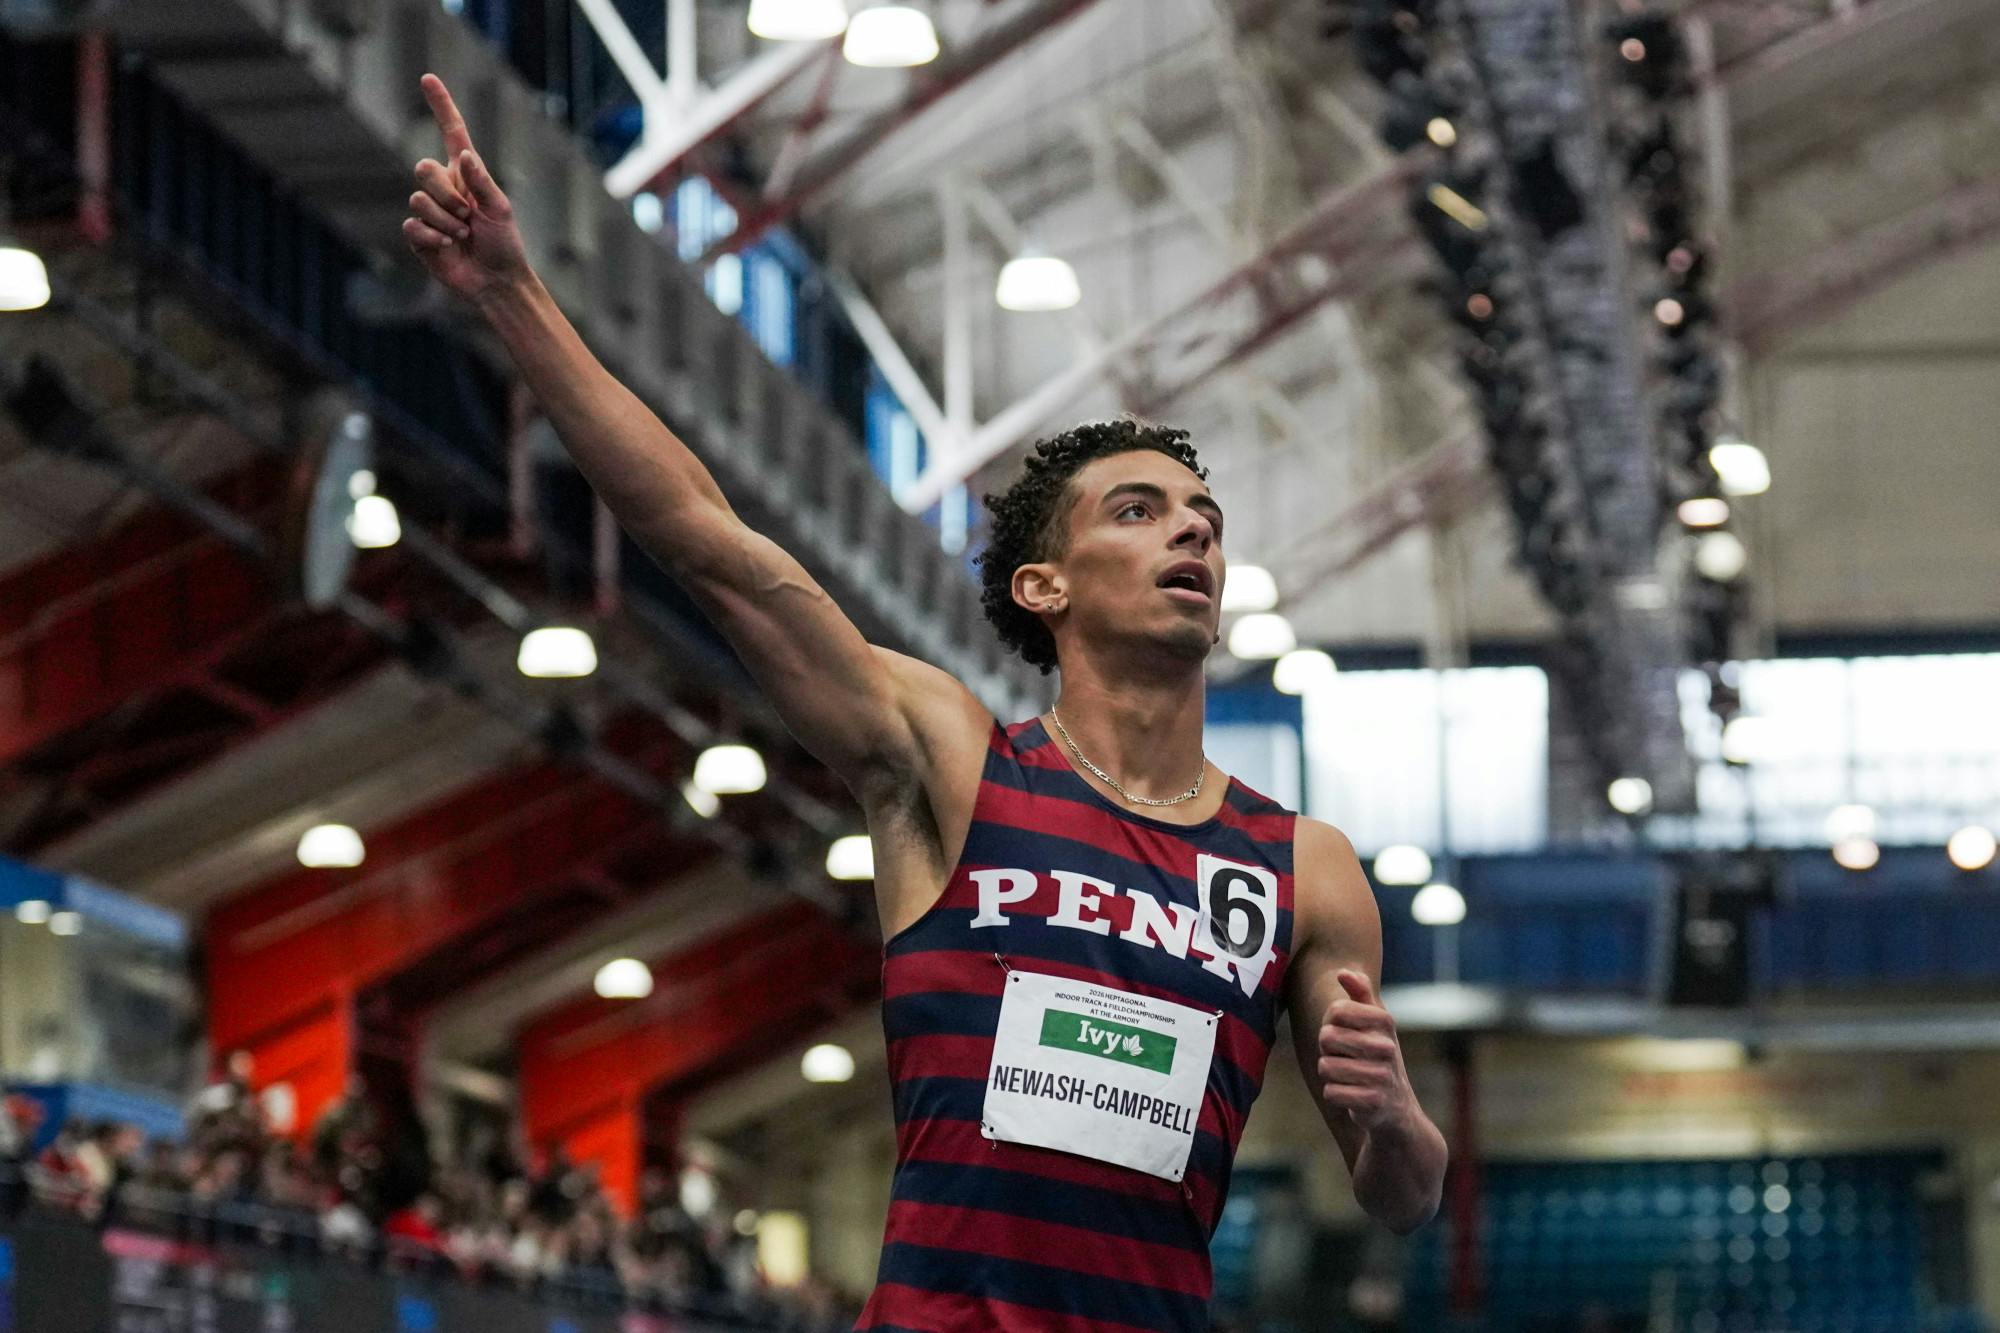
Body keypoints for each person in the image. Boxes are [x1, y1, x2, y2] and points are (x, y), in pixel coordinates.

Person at [402, 74, 1448, 1332]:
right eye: (1140, 509)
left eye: (1204, 521)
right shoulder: (950, 761)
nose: (1190, 534)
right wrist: (515, 296)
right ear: (1042, 583)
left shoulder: (1302, 868)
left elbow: (1398, 1195)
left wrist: (1393, 1118)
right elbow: (704, 538)